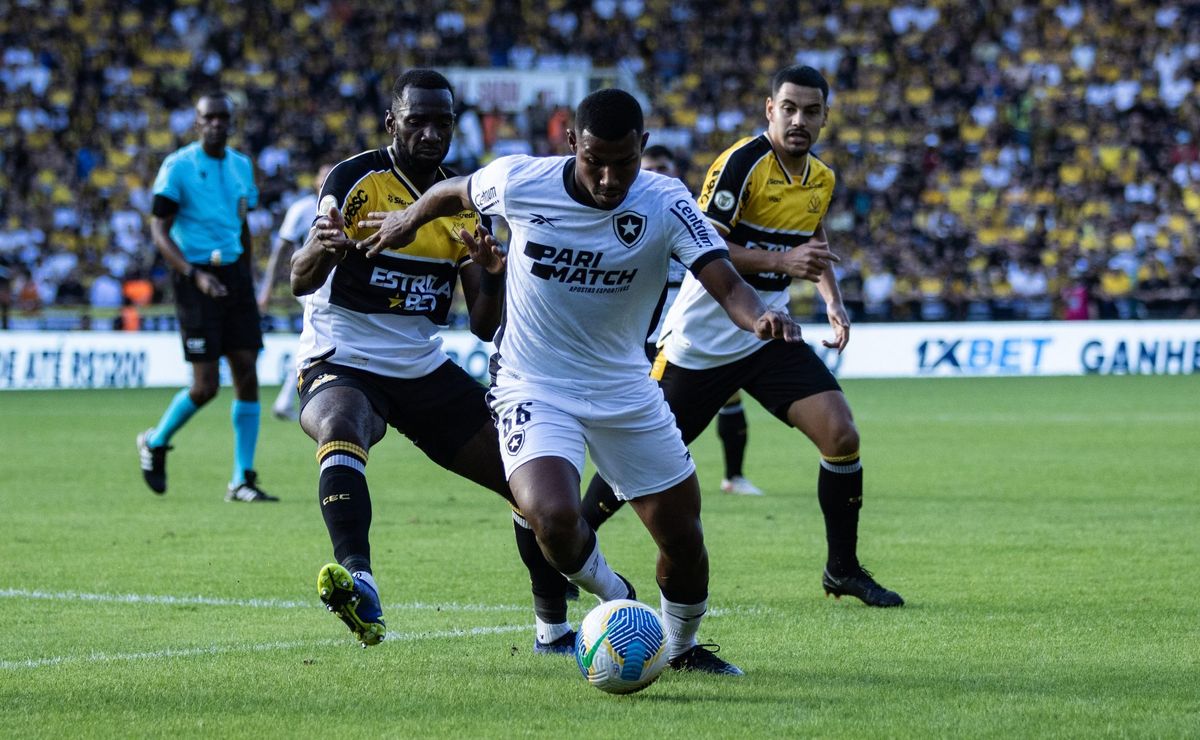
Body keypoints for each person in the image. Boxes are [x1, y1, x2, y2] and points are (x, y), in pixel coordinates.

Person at [358, 88, 811, 674]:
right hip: (533, 383)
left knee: (683, 539)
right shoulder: (520, 180)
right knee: (552, 514)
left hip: (626, 387)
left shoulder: (665, 201)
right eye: (594, 160)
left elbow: (723, 280)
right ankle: (614, 593)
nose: (607, 178)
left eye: (623, 163)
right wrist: (406, 218)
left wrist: (760, 317)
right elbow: (452, 190)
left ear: (642, 149)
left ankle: (682, 647)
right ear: (571, 142)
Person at [581, 65, 904, 607]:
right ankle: (568, 547)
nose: (800, 120)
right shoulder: (741, 164)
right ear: (769, 110)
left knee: (841, 435)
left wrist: (833, 300)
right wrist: (784, 259)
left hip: (768, 333)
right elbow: (702, 242)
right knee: (638, 460)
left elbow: (811, 236)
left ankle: (842, 569)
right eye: (790, 108)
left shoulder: (821, 178)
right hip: (701, 341)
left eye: (812, 111)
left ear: (826, 117)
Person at [291, 70, 573, 651]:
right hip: (342, 353)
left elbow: (484, 325)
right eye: (416, 120)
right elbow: (300, 278)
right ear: (391, 123)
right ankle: (359, 580)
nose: (430, 132)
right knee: (343, 424)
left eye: (441, 121)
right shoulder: (354, 181)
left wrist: (493, 274)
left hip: (421, 364)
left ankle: (554, 630)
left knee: (524, 476)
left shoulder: (464, 200)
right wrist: (321, 244)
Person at [137, 92, 277, 503]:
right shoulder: (177, 167)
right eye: (208, 117)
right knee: (205, 386)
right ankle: (156, 441)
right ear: (197, 123)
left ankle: (241, 479)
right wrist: (193, 275)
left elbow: (243, 223)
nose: (215, 123)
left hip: (234, 276)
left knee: (247, 370)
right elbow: (159, 230)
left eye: (222, 117)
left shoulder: (240, 166)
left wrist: (248, 277)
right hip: (194, 276)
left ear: (230, 122)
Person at [641, 144, 763, 497]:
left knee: (730, 396)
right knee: (653, 413)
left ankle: (734, 477)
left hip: (688, 328)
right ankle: (642, 482)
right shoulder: (624, 213)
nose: (657, 174)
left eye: (663, 167)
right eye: (650, 168)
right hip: (642, 332)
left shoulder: (693, 214)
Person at [258, 163, 333, 421]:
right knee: (319, 336)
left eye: (331, 176)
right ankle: (294, 397)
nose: (326, 182)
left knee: (311, 338)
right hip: (311, 283)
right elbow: (281, 249)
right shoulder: (302, 209)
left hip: (337, 285)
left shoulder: (348, 205)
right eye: (322, 176)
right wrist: (267, 288)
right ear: (314, 181)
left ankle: (286, 400)